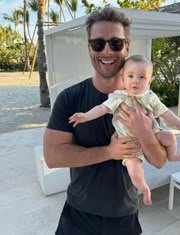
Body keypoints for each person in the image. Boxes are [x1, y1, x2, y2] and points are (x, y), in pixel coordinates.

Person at [43, 7, 167, 235]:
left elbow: (159, 161)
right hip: (78, 214)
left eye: (116, 43)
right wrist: (109, 152)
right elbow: (52, 157)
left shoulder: (146, 100)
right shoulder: (70, 98)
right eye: (98, 44)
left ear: (127, 47)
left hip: (123, 215)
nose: (107, 51)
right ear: (89, 48)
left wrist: (145, 133)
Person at [69, 54, 180, 206]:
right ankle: (144, 189)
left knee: (170, 137)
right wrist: (85, 116)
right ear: (123, 78)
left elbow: (166, 112)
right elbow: (102, 108)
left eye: (142, 77)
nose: (135, 81)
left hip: (153, 134)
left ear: (149, 81)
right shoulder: (119, 97)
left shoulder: (151, 97)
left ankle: (172, 156)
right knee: (134, 170)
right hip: (129, 143)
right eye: (130, 76)